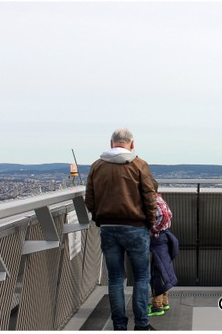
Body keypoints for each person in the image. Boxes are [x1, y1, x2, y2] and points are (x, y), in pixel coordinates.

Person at [85, 128, 157, 331]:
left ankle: (119, 325)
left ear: (111, 143)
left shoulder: (97, 166)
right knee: (142, 277)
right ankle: (142, 324)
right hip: (136, 227)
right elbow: (150, 198)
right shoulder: (139, 165)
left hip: (108, 228)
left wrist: (99, 218)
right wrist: (149, 224)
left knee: (116, 278)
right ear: (132, 144)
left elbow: (89, 199)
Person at [148, 183, 178, 317]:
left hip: (157, 239)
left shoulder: (154, 201)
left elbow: (164, 216)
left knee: (157, 272)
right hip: (163, 238)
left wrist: (153, 229)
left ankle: (157, 306)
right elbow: (169, 215)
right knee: (164, 270)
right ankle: (164, 301)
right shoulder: (161, 199)